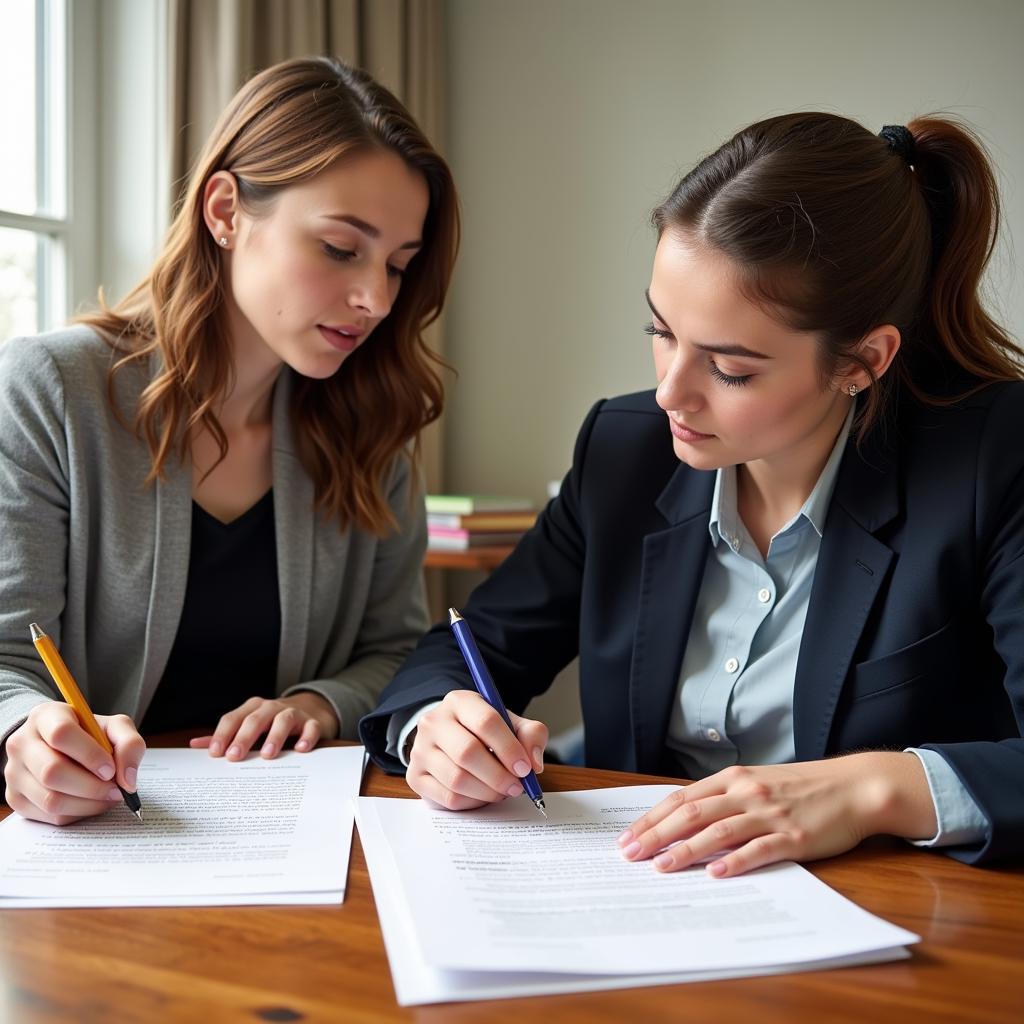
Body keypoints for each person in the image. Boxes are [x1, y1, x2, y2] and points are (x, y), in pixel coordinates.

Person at [360, 112, 1024, 875]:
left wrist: (875, 787)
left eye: (731, 368)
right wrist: (434, 728)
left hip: (891, 923)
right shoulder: (625, 449)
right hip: (634, 893)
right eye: (661, 330)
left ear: (862, 360)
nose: (670, 392)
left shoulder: (992, 459)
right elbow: (463, 649)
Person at [0, 56, 458, 826]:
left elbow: (399, 654)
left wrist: (324, 701)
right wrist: (28, 733)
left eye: (398, 267)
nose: (376, 299)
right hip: (96, 843)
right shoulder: (51, 392)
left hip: (291, 838)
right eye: (342, 249)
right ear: (224, 211)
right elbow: (9, 655)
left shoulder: (371, 427)